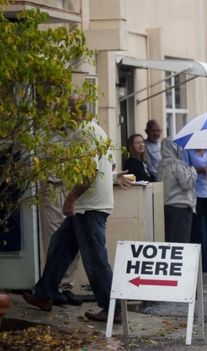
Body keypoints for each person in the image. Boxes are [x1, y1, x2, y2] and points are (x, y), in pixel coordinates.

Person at [23, 121, 131, 323]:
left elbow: (89, 173)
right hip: (88, 206)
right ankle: (44, 294)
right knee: (59, 245)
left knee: (95, 258)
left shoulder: (85, 134)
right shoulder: (96, 130)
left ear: (73, 114)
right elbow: (103, 166)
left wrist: (70, 199)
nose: (58, 118)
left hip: (89, 207)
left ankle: (112, 309)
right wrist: (114, 177)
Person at [158, 138, 197, 243]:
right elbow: (187, 185)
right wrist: (193, 172)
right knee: (181, 242)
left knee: (169, 241)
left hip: (165, 206)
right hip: (181, 206)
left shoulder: (160, 165)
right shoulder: (178, 164)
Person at [188, 148, 207, 272]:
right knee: (198, 231)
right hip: (196, 193)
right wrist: (201, 169)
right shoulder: (188, 151)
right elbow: (186, 170)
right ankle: (201, 264)